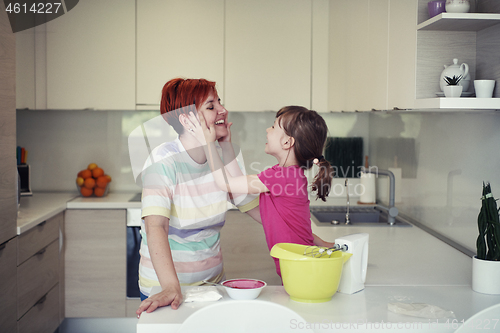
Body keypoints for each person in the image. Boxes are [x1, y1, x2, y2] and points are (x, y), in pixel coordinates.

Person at [136, 78, 259, 316]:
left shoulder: (224, 156)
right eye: (211, 106)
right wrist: (171, 287)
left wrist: (311, 239)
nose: (223, 110)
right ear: (186, 120)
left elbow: (259, 211)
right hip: (166, 289)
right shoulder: (163, 160)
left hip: (213, 285)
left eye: (220, 102)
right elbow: (156, 227)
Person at [189, 105, 335, 277]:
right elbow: (240, 186)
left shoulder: (283, 177)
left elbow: (227, 183)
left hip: (300, 268)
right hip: (300, 265)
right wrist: (226, 145)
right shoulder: (288, 175)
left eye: (273, 126)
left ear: (287, 142)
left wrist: (208, 143)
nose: (268, 129)